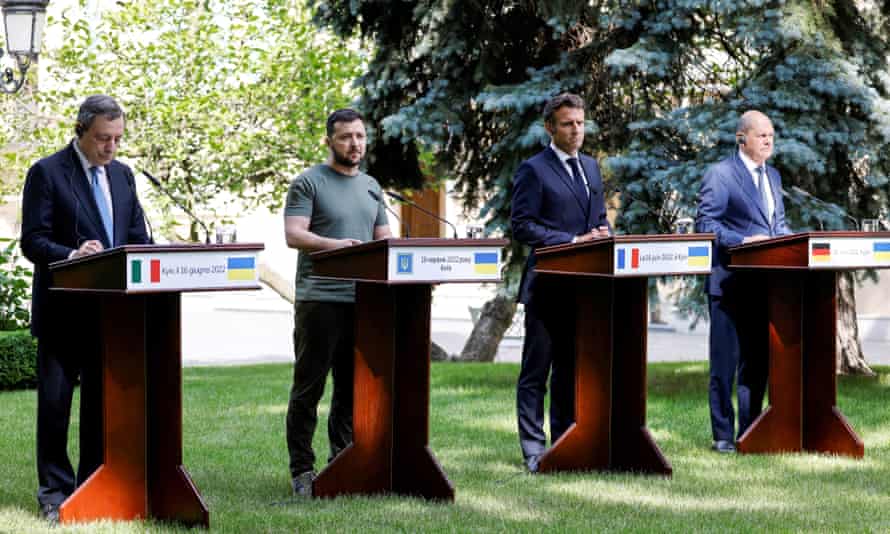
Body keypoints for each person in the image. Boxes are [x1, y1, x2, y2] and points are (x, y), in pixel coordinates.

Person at [20, 95, 151, 523]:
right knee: (56, 406)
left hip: (111, 316)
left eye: (117, 138)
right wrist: (73, 254)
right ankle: (55, 493)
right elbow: (33, 241)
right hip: (62, 312)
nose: (110, 147)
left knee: (101, 406)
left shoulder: (124, 175)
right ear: (81, 131)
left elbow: (135, 236)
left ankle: (94, 483)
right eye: (102, 138)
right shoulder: (47, 172)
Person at [284, 109, 391, 495]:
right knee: (308, 389)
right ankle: (302, 472)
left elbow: (382, 242)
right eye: (346, 137)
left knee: (352, 390)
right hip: (320, 299)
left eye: (360, 136)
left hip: (363, 302)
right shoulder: (309, 183)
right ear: (329, 141)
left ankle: (342, 463)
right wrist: (339, 247)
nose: (355, 144)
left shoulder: (371, 186)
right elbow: (294, 235)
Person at [510, 93, 610, 473]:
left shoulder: (591, 167)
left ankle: (566, 442)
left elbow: (598, 216)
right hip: (547, 285)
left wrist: (603, 234)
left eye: (580, 123)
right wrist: (570, 242)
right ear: (550, 127)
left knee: (571, 369)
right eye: (568, 124)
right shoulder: (533, 170)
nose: (576, 130)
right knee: (537, 370)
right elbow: (522, 225)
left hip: (583, 288)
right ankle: (533, 450)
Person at [695, 110, 792, 453]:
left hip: (765, 285)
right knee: (724, 365)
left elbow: (777, 226)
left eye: (771, 135)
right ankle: (723, 435)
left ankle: (750, 432)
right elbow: (706, 223)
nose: (768, 141)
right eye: (761, 135)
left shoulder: (774, 176)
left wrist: (792, 242)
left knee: (757, 362)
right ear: (742, 138)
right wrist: (742, 242)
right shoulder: (721, 175)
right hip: (730, 283)